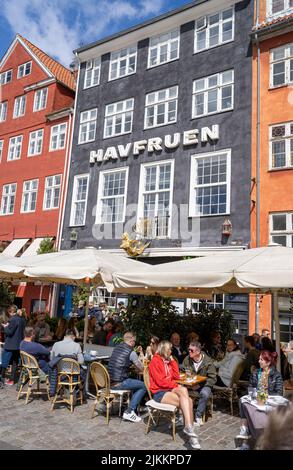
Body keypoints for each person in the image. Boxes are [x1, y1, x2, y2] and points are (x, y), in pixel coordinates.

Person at [149, 340, 201, 450]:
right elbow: (160, 382)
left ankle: (189, 428)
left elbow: (177, 376)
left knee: (184, 391)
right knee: (189, 401)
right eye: (169, 349)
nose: (171, 351)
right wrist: (174, 385)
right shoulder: (155, 361)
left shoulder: (168, 361)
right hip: (159, 392)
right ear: (163, 349)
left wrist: (173, 362)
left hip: (169, 388)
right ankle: (191, 433)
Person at [237, 350, 283, 448]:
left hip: (269, 403)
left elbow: (279, 393)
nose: (259, 361)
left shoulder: (276, 375)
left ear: (268, 362)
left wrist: (263, 394)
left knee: (256, 412)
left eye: (261, 359)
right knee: (243, 401)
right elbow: (250, 387)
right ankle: (244, 430)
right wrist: (253, 394)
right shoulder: (256, 372)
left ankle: (251, 439)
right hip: (256, 400)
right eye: (259, 359)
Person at [108, 331, 146, 423]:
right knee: (143, 386)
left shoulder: (116, 348)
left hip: (110, 382)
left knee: (136, 384)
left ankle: (131, 408)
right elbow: (141, 368)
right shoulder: (131, 352)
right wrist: (140, 353)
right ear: (131, 340)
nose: (134, 344)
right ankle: (130, 411)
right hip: (120, 383)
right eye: (134, 341)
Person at [182, 341, 217, 426]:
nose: (189, 352)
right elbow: (183, 372)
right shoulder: (187, 359)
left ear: (198, 352)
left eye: (191, 350)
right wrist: (187, 383)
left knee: (204, 393)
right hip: (190, 384)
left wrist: (199, 385)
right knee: (179, 390)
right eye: (189, 349)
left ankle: (198, 416)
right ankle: (181, 416)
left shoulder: (208, 361)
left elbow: (213, 378)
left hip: (204, 385)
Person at [0, 305, 26, 385]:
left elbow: (9, 332)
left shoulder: (13, 319)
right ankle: (12, 380)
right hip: (18, 344)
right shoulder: (22, 319)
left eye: (9, 313)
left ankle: (1, 378)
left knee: (4, 362)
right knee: (15, 363)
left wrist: (5, 327)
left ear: (11, 312)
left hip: (10, 345)